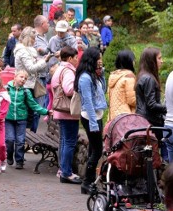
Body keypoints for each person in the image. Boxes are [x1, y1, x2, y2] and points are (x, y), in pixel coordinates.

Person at [76, 47, 108, 194]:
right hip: (90, 117)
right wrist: (94, 123)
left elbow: (104, 90)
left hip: (97, 115)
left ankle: (88, 181)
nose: (100, 61)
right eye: (98, 58)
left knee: (93, 149)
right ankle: (87, 182)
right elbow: (87, 101)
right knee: (97, 150)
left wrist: (101, 75)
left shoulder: (93, 75)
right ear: (92, 60)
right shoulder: (85, 78)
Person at [5, 69, 51, 170]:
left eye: (25, 78)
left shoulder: (26, 91)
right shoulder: (7, 89)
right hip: (8, 118)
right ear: (15, 77)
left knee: (20, 141)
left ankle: (19, 160)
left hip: (21, 119)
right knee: (9, 139)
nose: (23, 80)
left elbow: (33, 105)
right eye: (21, 77)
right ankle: (9, 154)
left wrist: (45, 111)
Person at [51, 46, 82, 184]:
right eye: (76, 57)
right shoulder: (68, 71)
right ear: (70, 58)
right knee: (69, 142)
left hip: (60, 112)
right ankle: (66, 172)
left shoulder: (59, 68)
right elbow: (69, 90)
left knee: (64, 141)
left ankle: (63, 169)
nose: (77, 60)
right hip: (68, 112)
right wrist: (79, 86)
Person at [14, 26, 53, 132]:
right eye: (33, 38)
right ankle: (28, 136)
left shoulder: (28, 50)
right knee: (29, 112)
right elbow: (31, 68)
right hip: (26, 85)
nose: (35, 40)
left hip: (31, 84)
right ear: (28, 38)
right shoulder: (22, 51)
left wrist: (42, 60)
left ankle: (30, 135)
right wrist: (45, 61)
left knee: (32, 112)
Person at [136, 47, 167, 156]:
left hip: (143, 120)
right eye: (159, 58)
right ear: (151, 61)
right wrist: (167, 108)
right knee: (153, 154)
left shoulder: (142, 76)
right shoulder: (149, 78)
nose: (162, 61)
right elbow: (151, 105)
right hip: (151, 122)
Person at [107, 50, 136, 121]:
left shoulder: (113, 76)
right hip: (125, 117)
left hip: (113, 117)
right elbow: (132, 101)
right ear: (129, 61)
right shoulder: (129, 77)